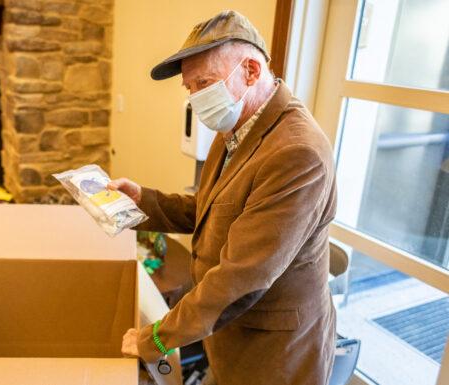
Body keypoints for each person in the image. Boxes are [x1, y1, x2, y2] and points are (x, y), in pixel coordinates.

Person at [112, 10, 337, 385]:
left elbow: (242, 278)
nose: (197, 98)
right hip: (228, 331)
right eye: (190, 88)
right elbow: (213, 209)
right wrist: (143, 201)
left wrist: (155, 338)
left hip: (274, 353)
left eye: (205, 82)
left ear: (250, 71)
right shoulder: (237, 124)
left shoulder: (298, 153)